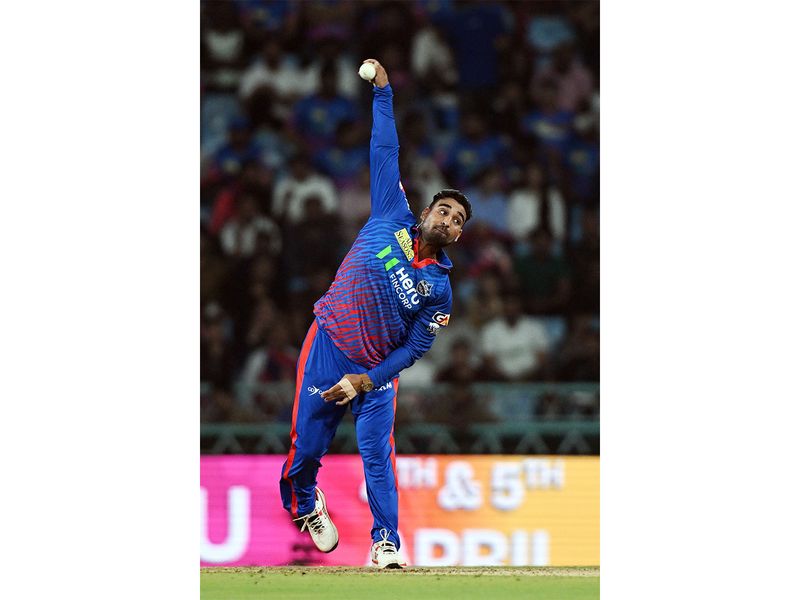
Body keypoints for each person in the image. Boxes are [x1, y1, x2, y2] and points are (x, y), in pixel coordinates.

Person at [279, 59, 472, 569]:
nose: (448, 219)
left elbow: (413, 349)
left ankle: (386, 542)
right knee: (305, 449)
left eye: (457, 220)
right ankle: (306, 503)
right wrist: (383, 92)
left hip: (376, 372)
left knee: (378, 458)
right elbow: (384, 149)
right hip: (328, 343)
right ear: (425, 212)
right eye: (444, 210)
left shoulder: (439, 290)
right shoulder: (390, 211)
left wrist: (366, 380)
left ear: (457, 237)